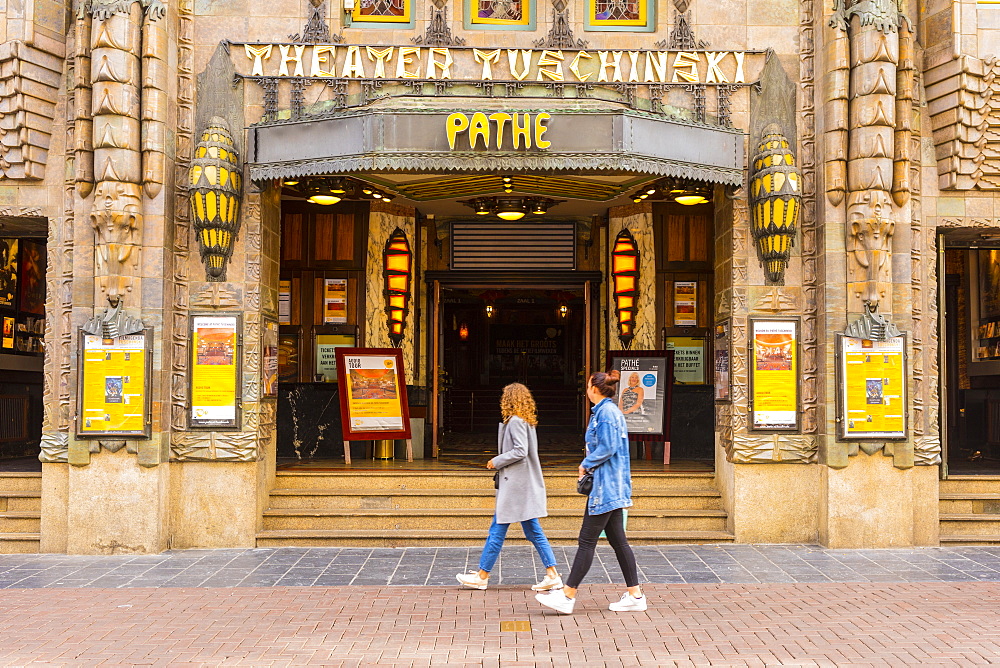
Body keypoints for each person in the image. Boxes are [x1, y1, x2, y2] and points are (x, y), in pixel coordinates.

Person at [536, 369, 645, 614]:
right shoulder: (608, 411)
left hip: (605, 487)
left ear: (594, 389)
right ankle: (635, 595)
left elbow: (608, 446)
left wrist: (586, 463)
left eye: (587, 386)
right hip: (611, 485)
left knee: (586, 541)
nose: (586, 390)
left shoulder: (605, 413)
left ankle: (567, 594)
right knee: (619, 542)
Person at [456, 382, 563, 592]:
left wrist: (497, 461)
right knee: (532, 531)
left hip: (516, 487)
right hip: (522, 486)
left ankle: (482, 576)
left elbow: (520, 451)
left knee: (497, 530)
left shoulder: (515, 421)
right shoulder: (527, 422)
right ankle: (552, 574)